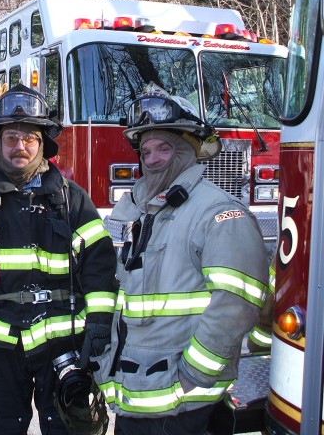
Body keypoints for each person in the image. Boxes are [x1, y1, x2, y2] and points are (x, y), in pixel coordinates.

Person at [0, 84, 118, 435]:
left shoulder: (71, 199)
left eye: (29, 138)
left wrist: (98, 323)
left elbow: (100, 265)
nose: (20, 146)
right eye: (11, 138)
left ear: (42, 144)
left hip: (64, 346)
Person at [94, 83, 269, 434]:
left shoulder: (218, 212)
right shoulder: (138, 209)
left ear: (188, 152)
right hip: (137, 396)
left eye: (164, 148)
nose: (153, 158)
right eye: (146, 151)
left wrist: (196, 374)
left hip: (184, 404)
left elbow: (237, 303)